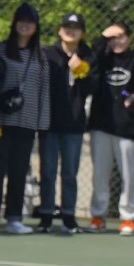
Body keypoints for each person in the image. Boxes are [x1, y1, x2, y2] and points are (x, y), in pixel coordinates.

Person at [86, 22, 134, 235]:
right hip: (101, 126)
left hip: (128, 129)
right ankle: (98, 216)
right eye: (112, 38)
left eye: (121, 36)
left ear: (129, 38)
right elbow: (89, 58)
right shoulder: (102, 59)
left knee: (129, 175)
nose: (117, 41)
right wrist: (103, 36)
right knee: (99, 174)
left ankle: (128, 217)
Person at [0, 3, 50, 234]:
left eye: (30, 22)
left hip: (27, 123)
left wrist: (42, 124)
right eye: (21, 20)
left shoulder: (40, 57)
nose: (25, 25)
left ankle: (14, 217)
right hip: (2, 121)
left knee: (19, 170)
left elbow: (43, 91)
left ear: (36, 27)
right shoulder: (1, 50)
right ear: (14, 23)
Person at [37, 12, 95, 233]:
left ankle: (69, 216)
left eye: (76, 28)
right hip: (49, 123)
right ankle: (46, 215)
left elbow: (93, 87)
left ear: (83, 33)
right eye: (67, 27)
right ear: (59, 31)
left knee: (70, 173)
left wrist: (80, 70)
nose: (71, 31)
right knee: (48, 171)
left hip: (74, 124)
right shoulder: (47, 54)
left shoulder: (88, 56)